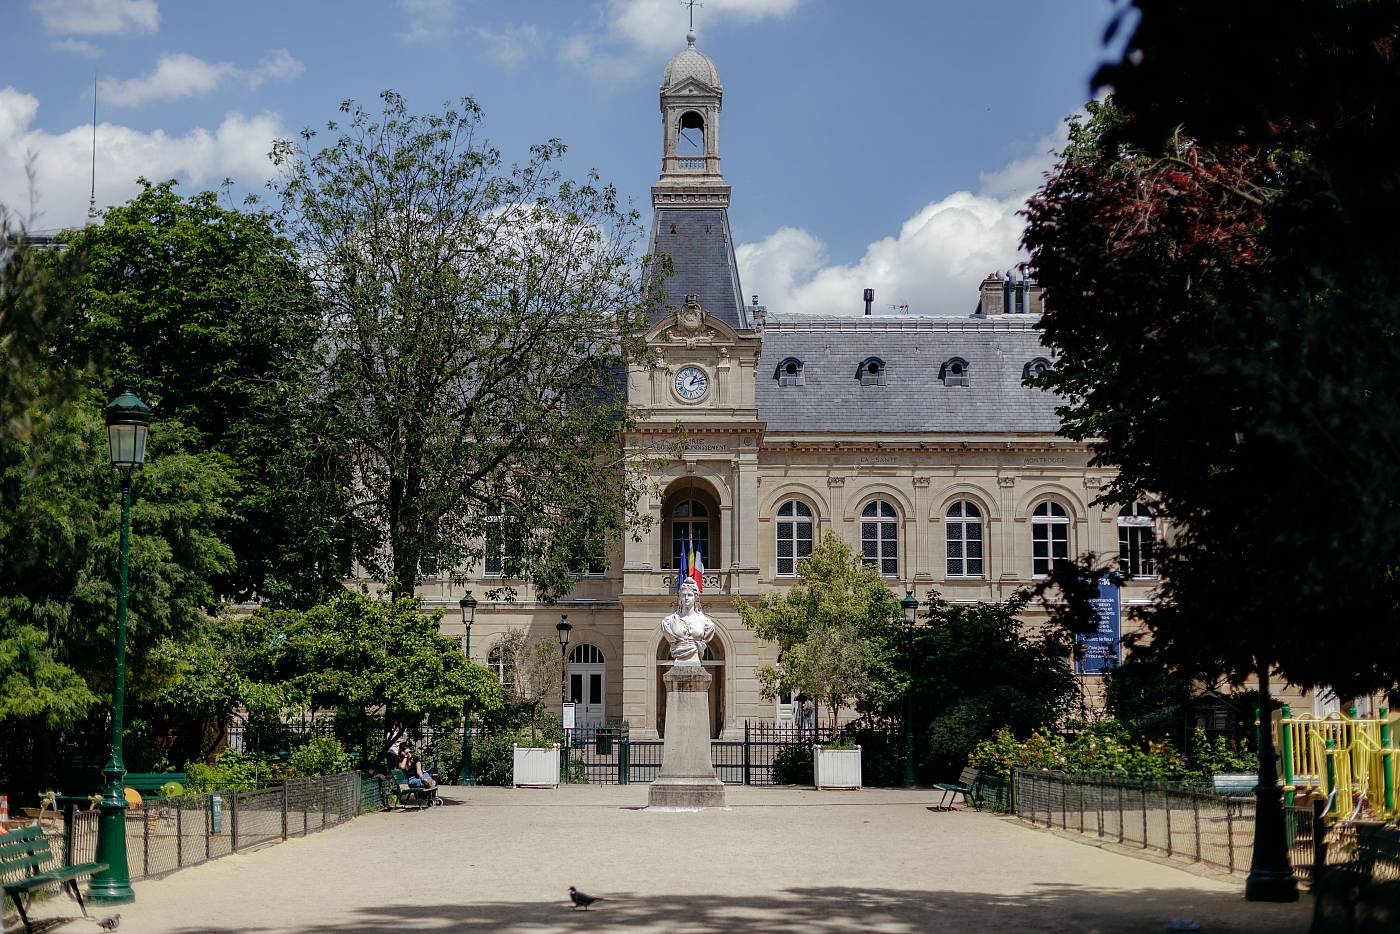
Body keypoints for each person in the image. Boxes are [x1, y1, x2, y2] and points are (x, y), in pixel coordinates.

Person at [660, 577, 717, 666]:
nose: (686, 598)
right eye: (683, 595)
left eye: (690, 595)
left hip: (695, 659)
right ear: (680, 598)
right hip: (678, 659)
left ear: (695, 598)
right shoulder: (668, 622)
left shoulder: (706, 623)